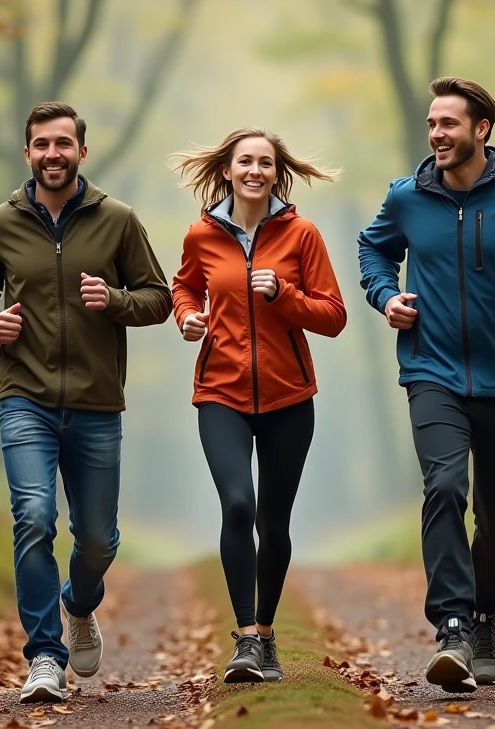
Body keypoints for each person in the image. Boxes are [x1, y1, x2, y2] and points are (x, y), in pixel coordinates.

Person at [356, 78, 495, 693]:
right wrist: (386, 298)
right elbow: (373, 251)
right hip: (431, 372)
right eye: (432, 124)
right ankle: (454, 627)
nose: (437, 134)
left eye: (449, 124)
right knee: (445, 486)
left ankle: (487, 615)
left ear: (481, 129)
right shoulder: (406, 198)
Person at [0, 101, 173, 703]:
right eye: (41, 145)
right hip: (23, 397)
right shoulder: (0, 222)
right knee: (33, 518)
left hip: (97, 401)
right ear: (28, 154)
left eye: (63, 144)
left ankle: (79, 605)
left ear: (82, 150)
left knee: (99, 540)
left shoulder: (119, 221)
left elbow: (159, 297)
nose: (52, 154)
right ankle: (44, 657)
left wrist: (116, 301)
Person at [169, 128, 347, 683]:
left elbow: (334, 316)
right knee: (238, 505)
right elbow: (184, 288)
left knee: (273, 519)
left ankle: (266, 636)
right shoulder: (202, 234)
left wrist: (284, 296)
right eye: (244, 161)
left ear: (276, 173)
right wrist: (188, 318)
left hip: (289, 396)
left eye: (264, 163)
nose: (254, 170)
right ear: (227, 169)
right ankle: (245, 638)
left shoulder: (302, 235)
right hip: (220, 391)